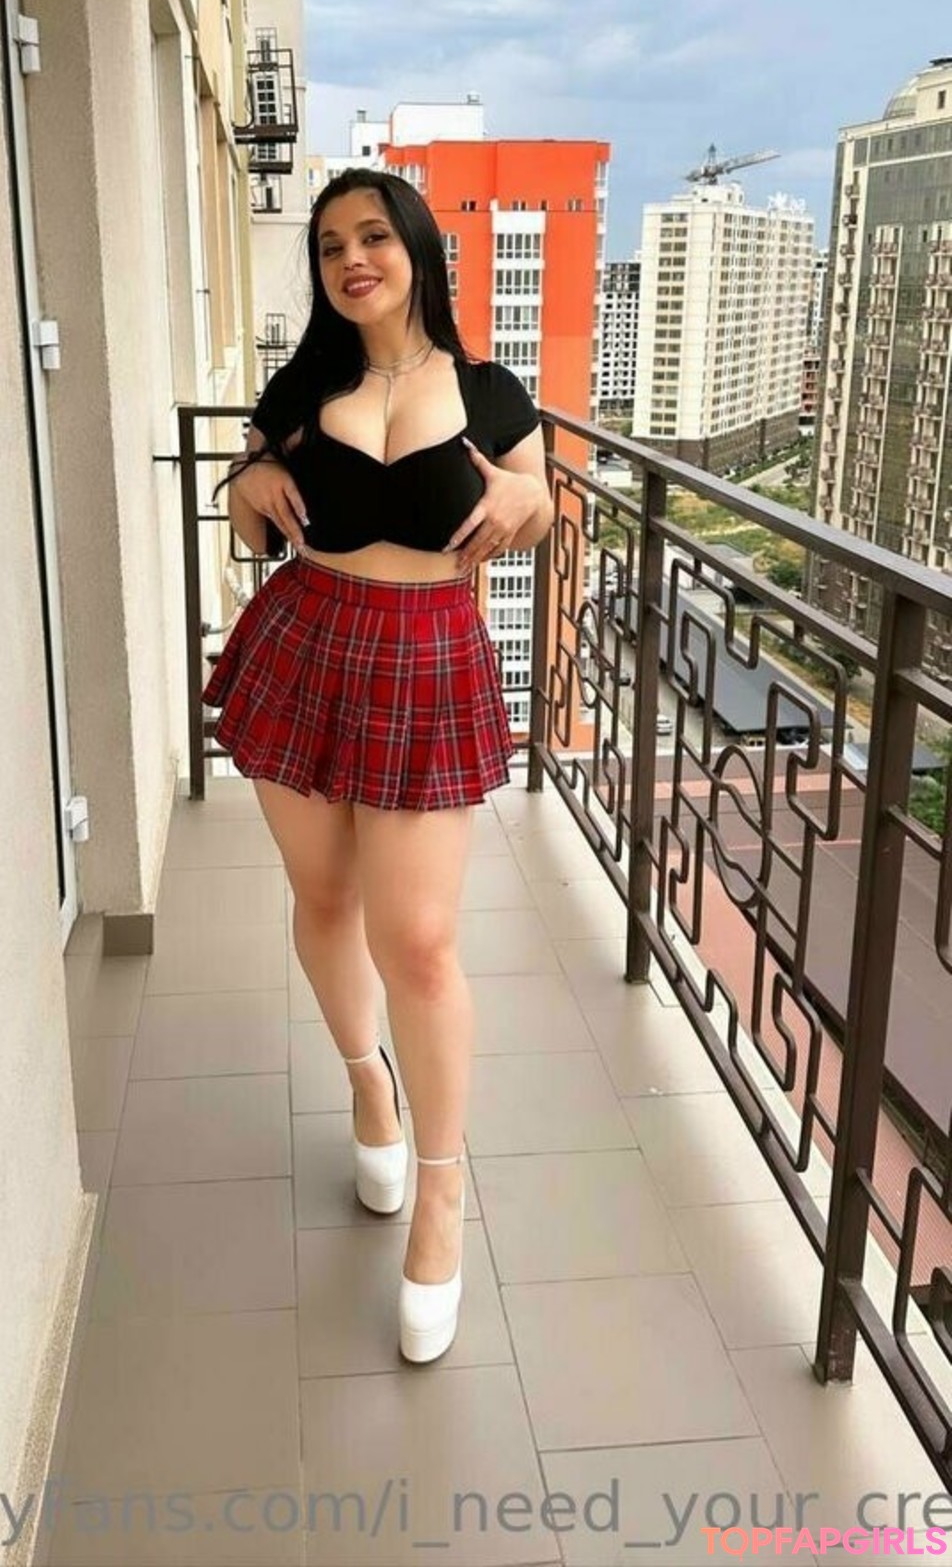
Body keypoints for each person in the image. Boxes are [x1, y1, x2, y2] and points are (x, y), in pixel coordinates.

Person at [201, 168, 552, 1363]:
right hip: (307, 642)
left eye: (372, 236)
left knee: (422, 941)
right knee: (324, 898)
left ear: (415, 249)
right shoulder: (301, 387)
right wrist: (248, 478)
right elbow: (252, 521)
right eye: (330, 244)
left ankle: (442, 1196)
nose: (352, 258)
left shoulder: (493, 392)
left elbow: (541, 508)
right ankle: (368, 1083)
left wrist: (529, 496)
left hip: (426, 657)